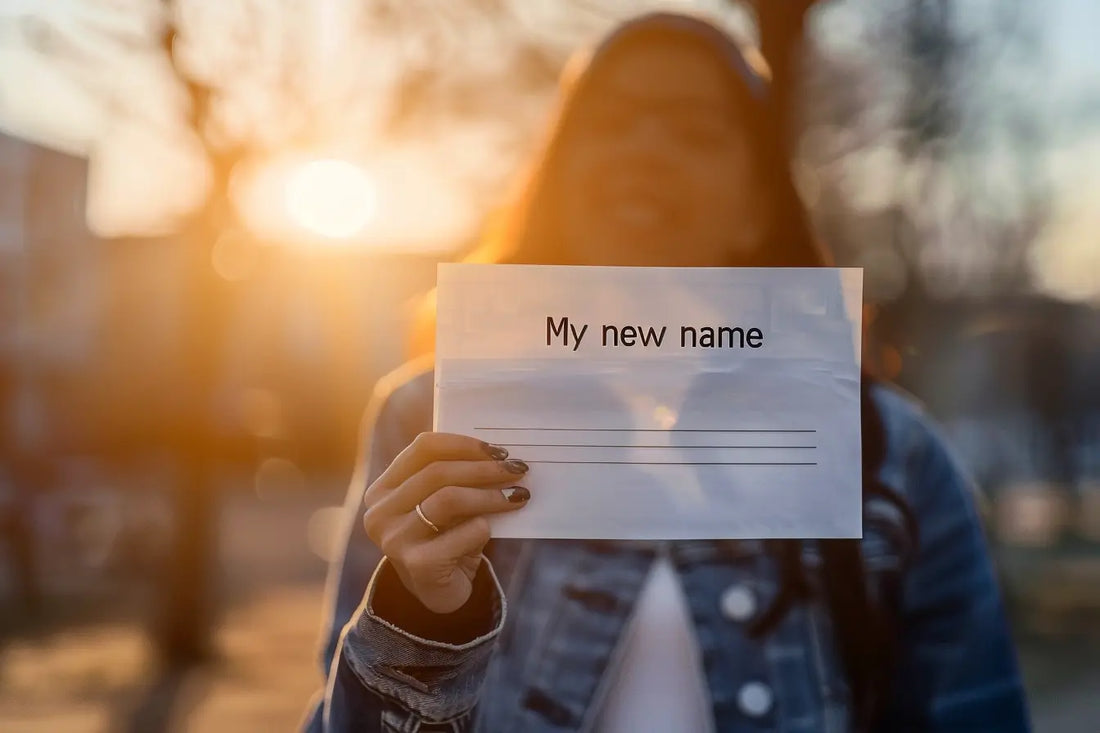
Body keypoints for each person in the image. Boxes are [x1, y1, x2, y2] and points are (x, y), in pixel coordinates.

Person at [303, 12, 1030, 732]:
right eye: (611, 121)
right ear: (557, 179)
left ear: (756, 206)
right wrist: (418, 616)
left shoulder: (892, 453)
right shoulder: (429, 418)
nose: (645, 150)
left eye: (695, 130)